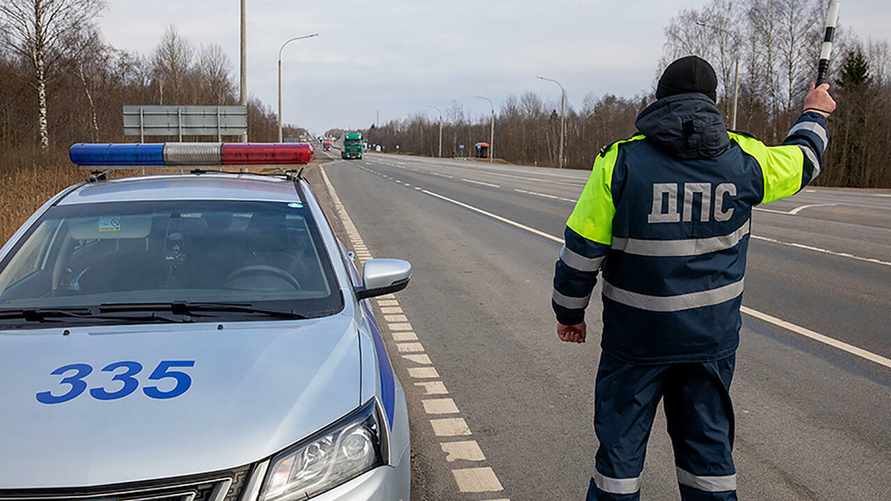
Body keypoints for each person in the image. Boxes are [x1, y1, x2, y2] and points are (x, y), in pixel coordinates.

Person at [551, 55, 836, 500]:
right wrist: (814, 112)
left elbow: (581, 252)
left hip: (635, 344)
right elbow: (803, 161)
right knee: (709, 463)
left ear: (660, 98)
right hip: (709, 343)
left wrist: (570, 313)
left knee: (619, 464)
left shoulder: (620, 163)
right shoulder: (744, 160)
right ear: (712, 102)